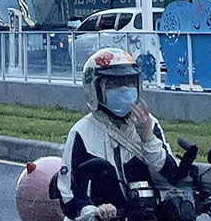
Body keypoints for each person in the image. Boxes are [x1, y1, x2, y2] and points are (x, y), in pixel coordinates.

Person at [56, 48, 178, 220]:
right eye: (114, 84)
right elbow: (68, 194)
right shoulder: (82, 132)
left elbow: (171, 175)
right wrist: (93, 210)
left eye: (129, 83)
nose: (124, 89)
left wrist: (148, 138)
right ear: (94, 89)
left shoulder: (148, 123)